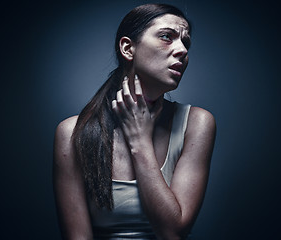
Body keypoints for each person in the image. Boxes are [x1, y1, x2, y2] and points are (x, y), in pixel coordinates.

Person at [53, 3, 216, 240]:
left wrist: (139, 140)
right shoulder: (71, 133)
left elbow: (172, 233)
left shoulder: (197, 123)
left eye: (186, 43)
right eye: (166, 37)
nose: (183, 50)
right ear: (128, 48)